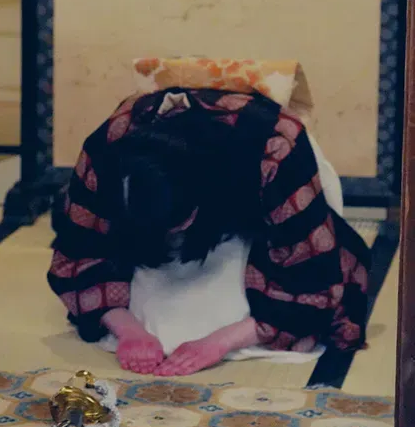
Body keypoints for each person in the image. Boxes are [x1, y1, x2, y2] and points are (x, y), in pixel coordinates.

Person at [48, 87, 371, 376]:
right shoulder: (109, 147)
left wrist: (218, 343)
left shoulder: (275, 146)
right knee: (161, 324)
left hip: (258, 217)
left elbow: (312, 278)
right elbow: (79, 251)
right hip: (159, 231)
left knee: (312, 297)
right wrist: (130, 332)